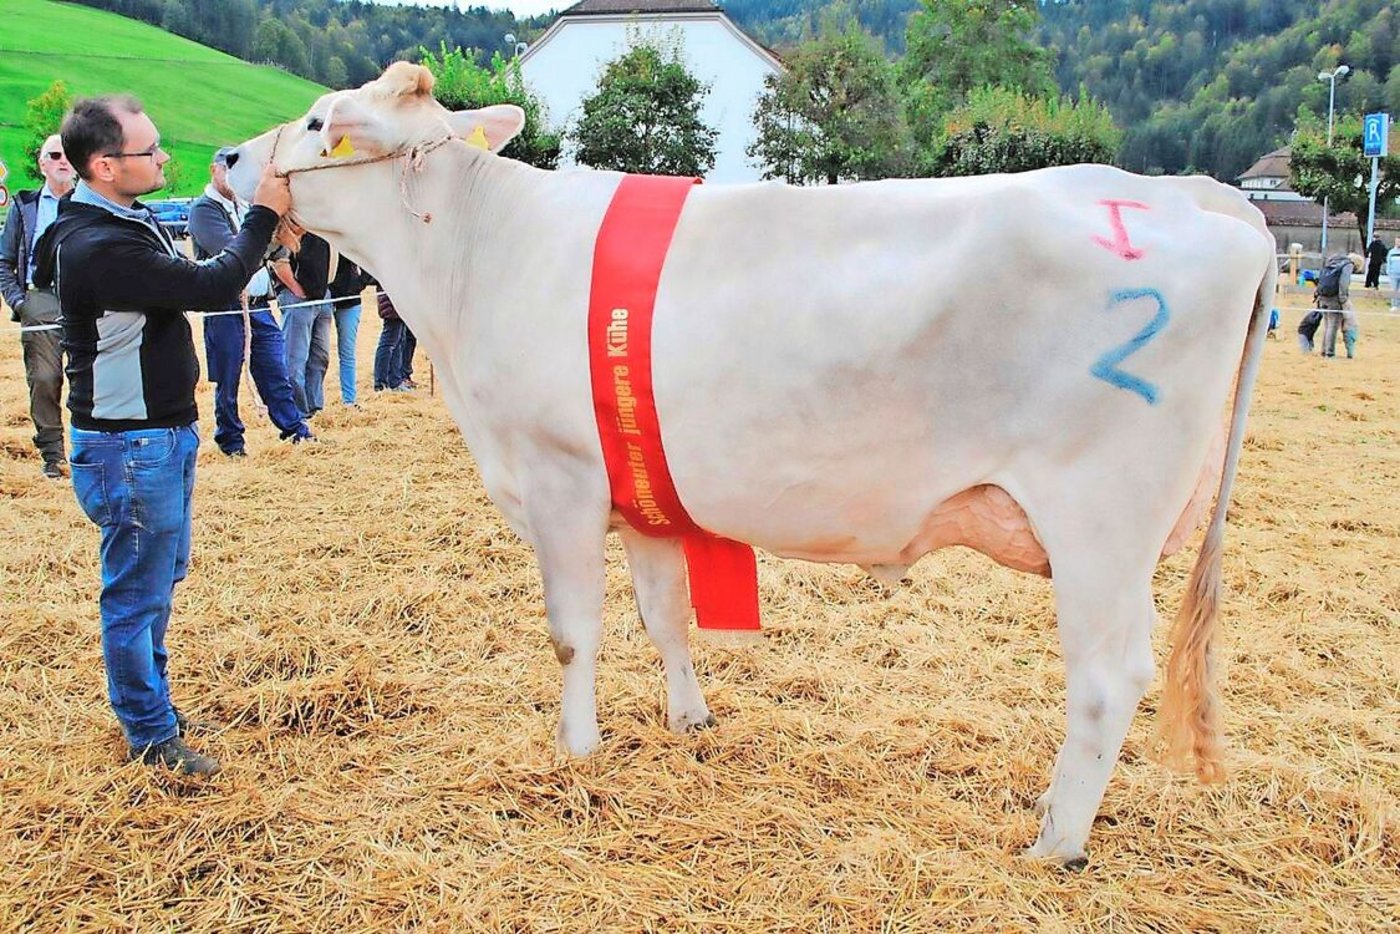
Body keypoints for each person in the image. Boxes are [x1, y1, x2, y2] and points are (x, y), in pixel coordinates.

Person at [31, 95, 291, 775]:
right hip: (130, 443)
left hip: (156, 433)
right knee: (137, 591)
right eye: (149, 151)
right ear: (104, 166)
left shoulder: (119, 219)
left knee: (158, 577)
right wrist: (261, 209)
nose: (163, 157)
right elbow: (215, 283)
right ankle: (150, 733)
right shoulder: (99, 244)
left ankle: (155, 707)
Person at [188, 147, 313, 455]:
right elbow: (232, 251)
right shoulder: (203, 210)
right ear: (213, 170)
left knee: (274, 369)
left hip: (257, 303)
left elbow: (268, 250)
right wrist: (269, 239)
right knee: (228, 376)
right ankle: (230, 439)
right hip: (225, 304)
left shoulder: (244, 206)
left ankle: (294, 429)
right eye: (225, 169)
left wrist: (279, 237)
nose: (231, 178)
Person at [0, 135, 75, 478]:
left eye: (68, 155)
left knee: (93, 377)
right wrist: (19, 302)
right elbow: (3, 261)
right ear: (42, 164)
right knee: (44, 378)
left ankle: (91, 449)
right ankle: (53, 455)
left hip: (86, 296)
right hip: (40, 298)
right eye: (54, 155)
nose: (62, 161)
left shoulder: (90, 203)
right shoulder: (24, 206)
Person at [270, 226, 332, 418]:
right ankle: (298, 414)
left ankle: (315, 408)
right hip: (297, 298)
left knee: (320, 358)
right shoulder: (289, 222)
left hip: (323, 296)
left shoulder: (321, 221)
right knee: (295, 360)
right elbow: (278, 259)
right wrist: (295, 288)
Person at [327, 251, 370, 407]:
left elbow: (367, 258)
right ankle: (312, 403)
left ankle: (349, 400)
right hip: (323, 297)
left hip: (350, 300)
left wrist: (360, 283)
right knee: (318, 354)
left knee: (347, 352)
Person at [1316, 252, 1362, 359]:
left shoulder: (1332, 261)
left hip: (1323, 296)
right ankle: (1330, 353)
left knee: (1327, 325)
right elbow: (1343, 283)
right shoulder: (1347, 265)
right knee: (1333, 326)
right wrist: (1343, 300)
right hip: (1334, 299)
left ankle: (1324, 350)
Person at [1388, 236, 1400, 312]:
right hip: (1393, 275)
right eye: (1397, 241)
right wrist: (1388, 272)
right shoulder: (1391, 252)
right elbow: (1389, 263)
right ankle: (1394, 305)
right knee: (1393, 290)